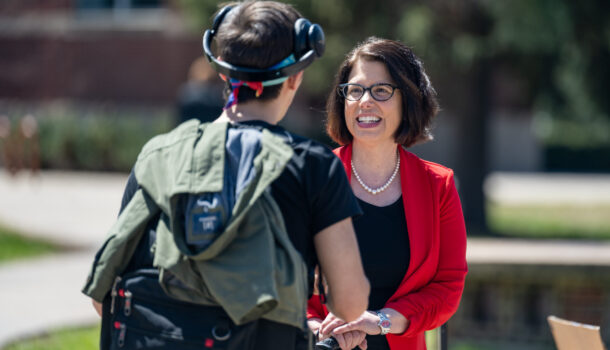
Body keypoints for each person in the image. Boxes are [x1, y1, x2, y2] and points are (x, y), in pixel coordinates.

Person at [83, 2, 369, 349]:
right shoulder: (313, 166)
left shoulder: (159, 156)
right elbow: (350, 303)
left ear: (223, 73)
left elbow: (103, 295)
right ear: (296, 76)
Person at [306, 37, 468, 350]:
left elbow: (447, 287)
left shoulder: (439, 186)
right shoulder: (310, 179)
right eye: (355, 90)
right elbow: (283, 282)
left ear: (408, 99)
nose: (365, 101)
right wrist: (321, 329)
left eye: (381, 90)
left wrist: (380, 321)